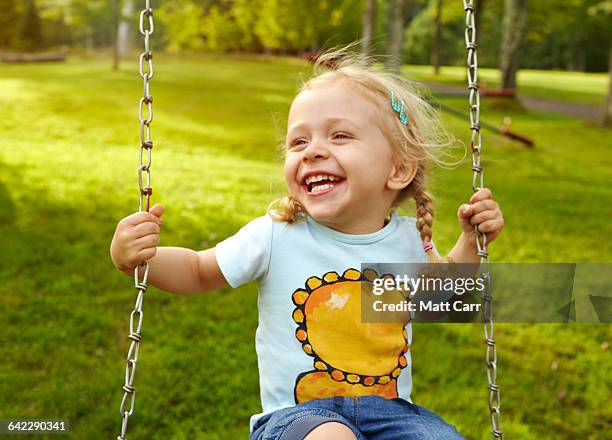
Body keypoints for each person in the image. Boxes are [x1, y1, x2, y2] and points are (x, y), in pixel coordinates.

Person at [110, 48, 504, 440]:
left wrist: (471, 242)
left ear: (398, 169)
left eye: (340, 135)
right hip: (298, 418)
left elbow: (443, 302)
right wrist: (141, 259)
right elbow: (199, 270)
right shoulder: (277, 235)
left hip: (393, 415)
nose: (313, 150)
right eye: (298, 142)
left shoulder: (406, 241)